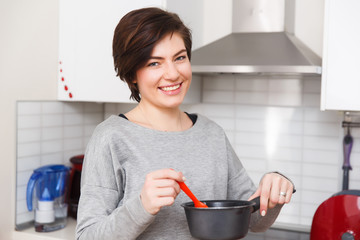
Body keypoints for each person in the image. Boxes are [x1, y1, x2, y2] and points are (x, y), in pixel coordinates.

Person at [75, 7, 295, 240]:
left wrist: (273, 191)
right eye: (154, 63)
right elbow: (87, 236)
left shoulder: (212, 134)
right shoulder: (111, 138)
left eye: (179, 58)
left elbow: (251, 218)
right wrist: (142, 206)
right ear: (131, 75)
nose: (172, 74)